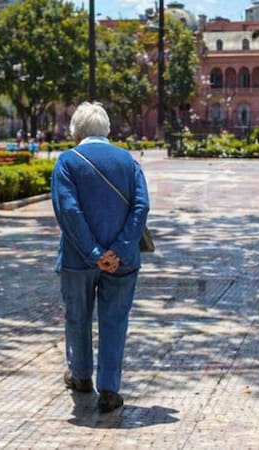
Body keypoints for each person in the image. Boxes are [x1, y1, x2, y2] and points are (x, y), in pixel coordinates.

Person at [50, 101, 150, 413]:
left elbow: (69, 211)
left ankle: (80, 377)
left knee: (77, 318)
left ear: (75, 131)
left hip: (78, 261)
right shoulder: (128, 161)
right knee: (115, 321)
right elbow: (141, 207)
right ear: (107, 129)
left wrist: (94, 254)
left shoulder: (67, 162)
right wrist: (118, 249)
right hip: (123, 261)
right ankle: (109, 388)